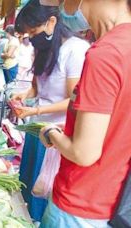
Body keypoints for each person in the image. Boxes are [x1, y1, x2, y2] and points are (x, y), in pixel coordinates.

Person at [36, 0, 131, 227]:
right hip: (114, 206)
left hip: (78, 207)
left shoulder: (105, 55)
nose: (62, 6)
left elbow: (84, 152)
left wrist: (51, 133)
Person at [12, 0, 90, 222]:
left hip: (56, 135)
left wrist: (36, 111)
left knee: (43, 190)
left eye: (33, 31)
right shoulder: (43, 48)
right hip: (37, 129)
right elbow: (38, 86)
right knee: (27, 183)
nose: (31, 38)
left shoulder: (75, 50)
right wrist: (25, 95)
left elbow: (73, 101)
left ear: (51, 22)